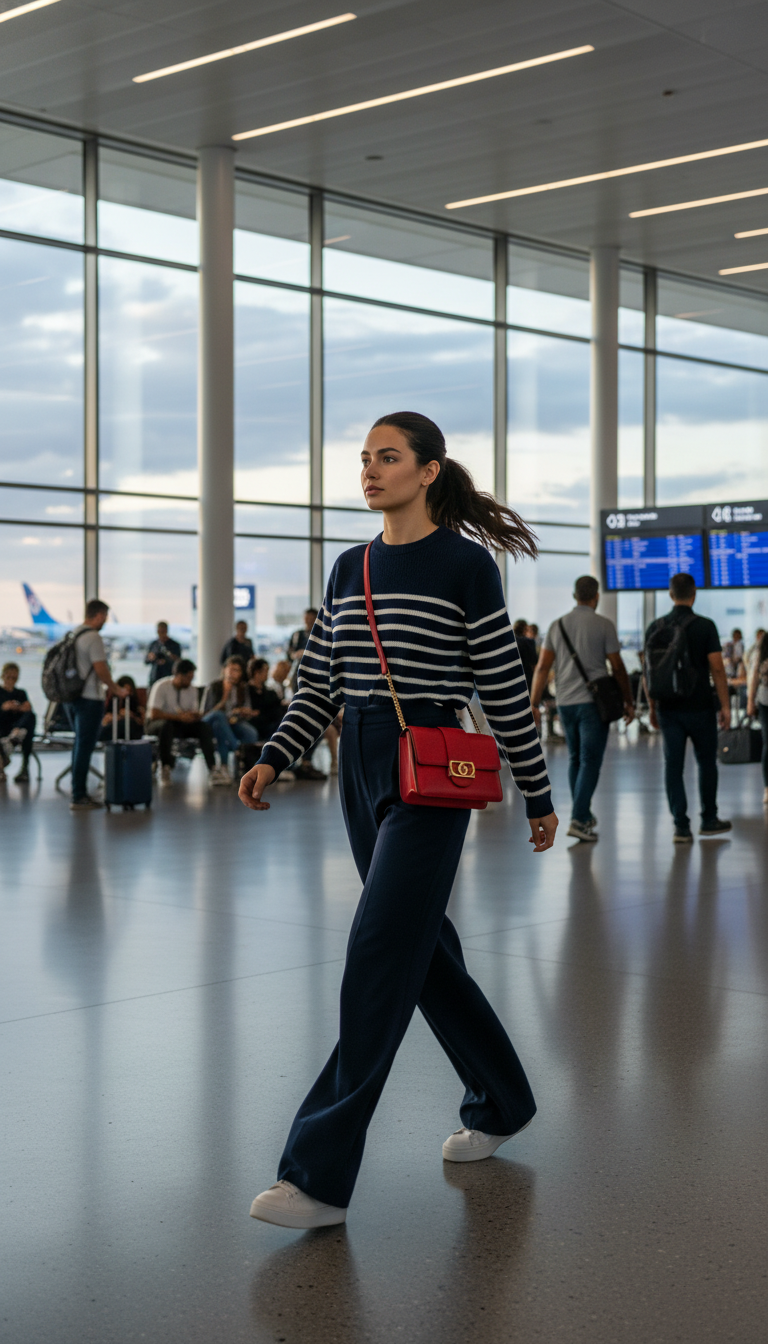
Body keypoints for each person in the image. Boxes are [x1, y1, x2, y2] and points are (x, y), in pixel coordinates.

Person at [240, 409, 558, 1231]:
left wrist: (539, 791)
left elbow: (500, 686)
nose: (370, 472)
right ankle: (502, 1098)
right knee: (423, 950)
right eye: (364, 459)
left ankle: (318, 1175)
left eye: (388, 458)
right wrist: (275, 753)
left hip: (435, 763)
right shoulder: (350, 568)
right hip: (361, 758)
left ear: (427, 471)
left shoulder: (465, 566)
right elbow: (317, 680)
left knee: (381, 950)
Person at [530, 576, 633, 842]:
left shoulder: (557, 625)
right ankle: (578, 818)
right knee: (590, 760)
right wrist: (628, 700)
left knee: (576, 758)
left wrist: (533, 701)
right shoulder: (604, 625)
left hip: (565, 703)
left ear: (574, 595)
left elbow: (542, 667)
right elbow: (618, 666)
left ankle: (583, 815)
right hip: (592, 704)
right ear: (596, 596)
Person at [644, 572, 732, 842]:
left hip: (668, 708)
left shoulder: (655, 627)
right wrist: (726, 706)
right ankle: (708, 819)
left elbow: (650, 673)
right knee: (706, 763)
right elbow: (717, 668)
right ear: (694, 594)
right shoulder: (705, 626)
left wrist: (651, 706)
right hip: (701, 707)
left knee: (673, 765)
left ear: (671, 595)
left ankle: (680, 827)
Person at [65, 599, 129, 810]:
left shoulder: (74, 634)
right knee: (85, 746)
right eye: (105, 617)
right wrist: (115, 688)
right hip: (89, 698)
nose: (105, 621)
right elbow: (100, 668)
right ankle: (79, 794)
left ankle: (77, 790)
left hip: (72, 697)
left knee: (78, 744)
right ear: (99, 615)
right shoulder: (93, 637)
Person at [147, 658, 223, 787]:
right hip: (157, 724)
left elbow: (193, 710)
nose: (190, 681)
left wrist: (193, 716)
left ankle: (213, 768)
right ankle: (165, 767)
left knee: (203, 727)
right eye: (188, 677)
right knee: (167, 726)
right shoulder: (161, 686)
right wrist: (178, 717)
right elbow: (154, 714)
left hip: (180, 724)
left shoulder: (192, 690)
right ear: (178, 675)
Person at [201, 657, 259, 779]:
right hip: (210, 720)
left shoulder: (242, 689)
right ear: (224, 670)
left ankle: (231, 765)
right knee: (219, 718)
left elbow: (246, 707)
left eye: (237, 670)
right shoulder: (214, 686)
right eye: (231, 669)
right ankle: (237, 749)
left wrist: (243, 712)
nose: (233, 673)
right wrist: (224, 699)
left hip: (231, 722)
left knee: (249, 731)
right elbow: (207, 712)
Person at [0, 662, 36, 784]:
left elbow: (27, 710)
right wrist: (4, 708)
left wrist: (20, 708)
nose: (11, 680)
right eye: (9, 677)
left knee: (30, 717)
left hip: (18, 727)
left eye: (14, 678)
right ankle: (13, 737)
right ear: (3, 676)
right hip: (3, 725)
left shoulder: (21, 693)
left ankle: (16, 733)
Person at [746, 628, 768, 807]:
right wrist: (750, 701)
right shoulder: (764, 643)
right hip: (765, 700)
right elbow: (754, 674)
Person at [245, 658, 285, 742]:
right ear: (256, 673)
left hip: (272, 723)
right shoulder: (245, 691)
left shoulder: (269, 692)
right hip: (258, 725)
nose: (267, 674)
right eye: (265, 671)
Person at [100, 675, 144, 741]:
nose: (127, 692)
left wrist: (131, 715)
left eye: (129, 690)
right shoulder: (113, 700)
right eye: (125, 689)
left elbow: (141, 721)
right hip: (114, 725)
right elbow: (105, 718)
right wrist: (115, 717)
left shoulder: (133, 701)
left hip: (130, 727)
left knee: (126, 724)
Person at [287, 609, 317, 692]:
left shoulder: (321, 635)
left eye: (311, 619)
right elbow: (289, 653)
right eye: (307, 619)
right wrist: (296, 654)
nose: (309, 621)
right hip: (298, 669)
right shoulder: (297, 635)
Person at [144, 622, 181, 687]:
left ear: (166, 631)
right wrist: (151, 658)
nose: (161, 634)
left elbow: (178, 661)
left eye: (162, 631)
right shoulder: (153, 645)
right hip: (155, 677)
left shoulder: (174, 645)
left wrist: (168, 658)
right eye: (159, 631)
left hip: (168, 676)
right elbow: (146, 661)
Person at [513, 619, 538, 691]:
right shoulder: (528, 642)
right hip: (526, 679)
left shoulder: (509, 642)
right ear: (525, 629)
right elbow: (534, 663)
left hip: (512, 679)